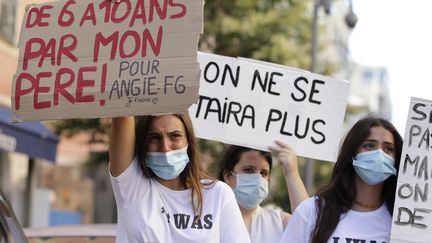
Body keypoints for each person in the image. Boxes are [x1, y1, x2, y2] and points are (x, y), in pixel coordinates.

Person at [109, 113, 251, 243]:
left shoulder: (218, 194)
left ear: (188, 142)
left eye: (175, 136)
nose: (165, 147)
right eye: (154, 138)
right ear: (143, 145)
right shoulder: (131, 187)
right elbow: (123, 107)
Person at [279, 116, 403, 243]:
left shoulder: (403, 222)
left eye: (388, 149)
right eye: (370, 146)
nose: (380, 154)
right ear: (352, 154)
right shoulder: (312, 210)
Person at [218, 140, 309, 243]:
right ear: (228, 176)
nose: (258, 178)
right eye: (249, 170)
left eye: (263, 173)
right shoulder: (210, 219)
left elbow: (308, 226)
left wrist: (291, 173)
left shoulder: (279, 222)